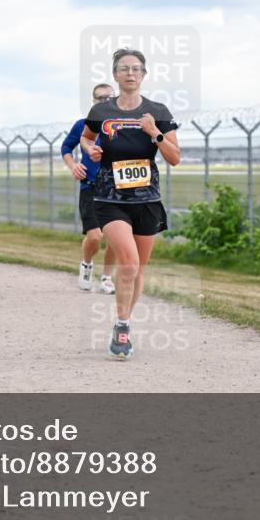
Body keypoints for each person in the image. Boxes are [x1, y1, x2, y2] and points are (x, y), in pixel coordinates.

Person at [81, 48, 180, 360]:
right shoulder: (102, 112)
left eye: (136, 69)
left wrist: (155, 135)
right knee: (130, 262)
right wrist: (91, 150)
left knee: (139, 271)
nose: (130, 74)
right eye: (124, 68)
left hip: (147, 200)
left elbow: (175, 158)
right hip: (110, 199)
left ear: (144, 75)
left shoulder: (158, 111)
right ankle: (122, 328)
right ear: (115, 75)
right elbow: (86, 138)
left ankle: (123, 320)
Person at [62, 83, 117, 294]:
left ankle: (106, 277)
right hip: (91, 188)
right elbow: (66, 148)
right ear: (93, 102)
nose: (106, 102)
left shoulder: (122, 126)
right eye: (101, 98)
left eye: (109, 97)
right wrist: (73, 165)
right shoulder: (83, 125)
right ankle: (86, 265)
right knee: (95, 236)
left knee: (115, 237)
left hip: (117, 188)